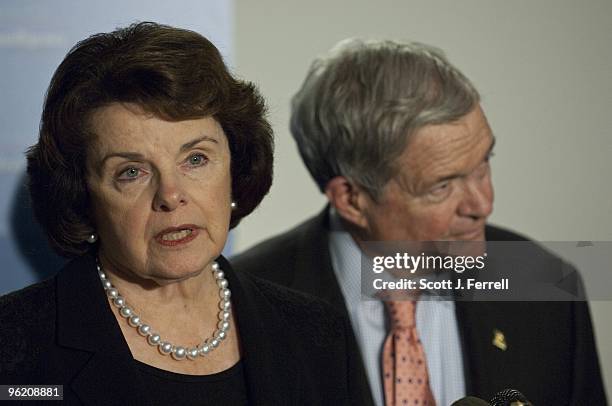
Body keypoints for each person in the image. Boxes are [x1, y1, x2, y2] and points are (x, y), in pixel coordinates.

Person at [0, 23, 362, 405]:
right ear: (82, 196)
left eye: (195, 158)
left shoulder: (318, 334)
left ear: (234, 168)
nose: (171, 196)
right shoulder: (14, 348)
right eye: (131, 172)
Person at [232, 39, 607, 405]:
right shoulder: (243, 308)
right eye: (442, 186)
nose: (483, 203)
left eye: (482, 165)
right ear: (352, 199)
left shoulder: (546, 286)